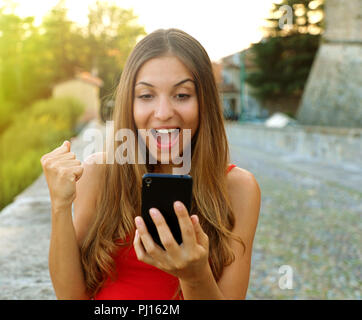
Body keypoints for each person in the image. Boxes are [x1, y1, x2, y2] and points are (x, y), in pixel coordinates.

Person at [40, 28, 261, 300]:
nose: (164, 113)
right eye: (146, 96)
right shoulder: (98, 173)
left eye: (182, 95)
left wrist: (194, 274)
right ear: (129, 105)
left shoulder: (239, 188)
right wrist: (60, 206)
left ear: (205, 103)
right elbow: (71, 296)